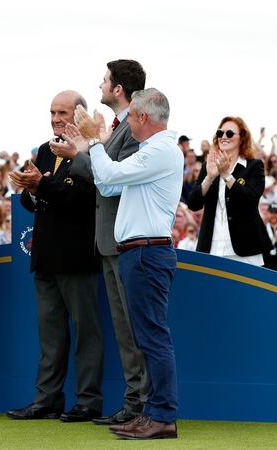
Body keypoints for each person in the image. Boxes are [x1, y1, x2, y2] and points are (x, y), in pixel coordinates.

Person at [60, 87, 182, 440]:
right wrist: (91, 148)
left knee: (152, 338)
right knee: (147, 338)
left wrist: (95, 144)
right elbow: (109, 186)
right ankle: (153, 414)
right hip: (140, 252)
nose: (127, 123)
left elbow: (109, 177)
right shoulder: (152, 151)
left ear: (143, 117)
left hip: (147, 252)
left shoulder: (160, 151)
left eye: (131, 117)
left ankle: (161, 417)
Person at [53, 59, 149, 426]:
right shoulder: (118, 129)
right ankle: (132, 403)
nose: (100, 86)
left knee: (132, 327)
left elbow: (108, 180)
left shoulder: (132, 130)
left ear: (119, 89)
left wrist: (80, 152)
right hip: (110, 240)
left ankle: (140, 405)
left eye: (105, 81)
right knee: (124, 329)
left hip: (123, 239)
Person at [6, 90, 104, 423]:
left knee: (86, 333)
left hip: (77, 257)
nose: (56, 119)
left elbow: (81, 196)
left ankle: (88, 401)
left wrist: (40, 186)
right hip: (45, 255)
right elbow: (36, 196)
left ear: (79, 116)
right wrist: (29, 189)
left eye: (62, 112)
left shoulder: (91, 153)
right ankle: (47, 400)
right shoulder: (46, 151)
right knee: (50, 336)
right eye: (52, 112)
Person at [187, 117, 272, 265]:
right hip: (211, 249)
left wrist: (227, 175)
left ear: (242, 138)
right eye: (220, 133)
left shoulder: (254, 166)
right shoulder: (209, 165)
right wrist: (209, 177)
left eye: (230, 133)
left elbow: (249, 200)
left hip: (245, 250)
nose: (224, 137)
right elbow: (193, 203)